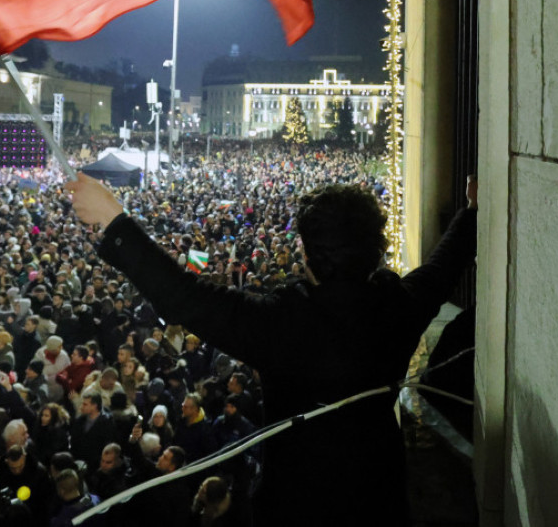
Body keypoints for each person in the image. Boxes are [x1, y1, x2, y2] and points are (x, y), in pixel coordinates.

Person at [67, 173, 478, 525]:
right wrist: (472, 214)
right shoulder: (398, 308)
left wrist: (114, 220)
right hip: (378, 497)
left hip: (297, 505)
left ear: (306, 252)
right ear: (375, 249)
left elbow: (184, 296)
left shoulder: (281, 323)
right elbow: (443, 269)